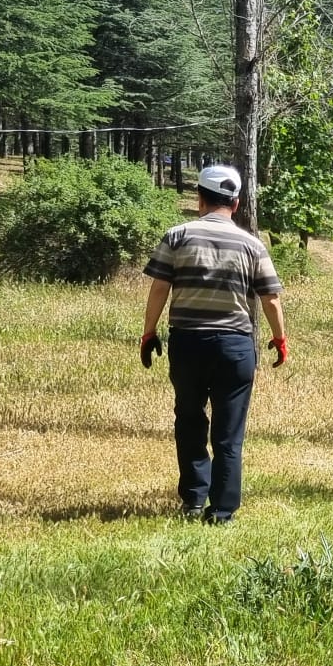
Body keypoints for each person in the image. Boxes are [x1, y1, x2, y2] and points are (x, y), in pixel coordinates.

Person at [139, 164, 288, 524]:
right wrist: (279, 338)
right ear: (235, 204)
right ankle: (222, 512)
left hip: (187, 343)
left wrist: (148, 333)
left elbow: (160, 288)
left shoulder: (176, 236)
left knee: (189, 420)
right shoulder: (252, 245)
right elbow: (270, 299)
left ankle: (193, 499)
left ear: (199, 199)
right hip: (235, 347)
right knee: (228, 432)